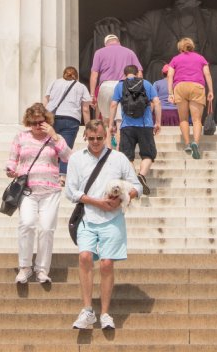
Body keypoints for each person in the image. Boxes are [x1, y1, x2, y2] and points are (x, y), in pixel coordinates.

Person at [66, 119, 142, 331]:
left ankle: (105, 313)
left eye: (100, 138)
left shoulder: (118, 158)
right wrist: (96, 201)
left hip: (113, 218)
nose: (96, 142)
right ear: (85, 137)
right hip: (88, 216)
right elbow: (71, 191)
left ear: (105, 136)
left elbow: (137, 186)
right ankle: (88, 309)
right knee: (84, 256)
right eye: (92, 139)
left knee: (107, 263)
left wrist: (122, 199)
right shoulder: (76, 159)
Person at [6, 103, 71, 285]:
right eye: (34, 122)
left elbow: (68, 157)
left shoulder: (54, 139)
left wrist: (55, 136)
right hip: (28, 190)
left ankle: (42, 269)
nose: (37, 126)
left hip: (51, 190)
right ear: (28, 122)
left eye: (41, 122)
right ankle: (25, 267)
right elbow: (12, 159)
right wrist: (11, 169)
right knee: (26, 224)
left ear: (47, 121)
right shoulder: (21, 137)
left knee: (47, 228)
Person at [109, 65, 161, 195]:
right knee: (149, 154)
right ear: (138, 73)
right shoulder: (147, 84)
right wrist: (158, 122)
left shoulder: (120, 86)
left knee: (127, 156)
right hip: (145, 125)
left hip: (127, 126)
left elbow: (113, 104)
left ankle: (135, 181)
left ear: (124, 74)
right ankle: (142, 175)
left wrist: (111, 124)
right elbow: (157, 102)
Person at [166, 36, 213, 159]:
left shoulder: (175, 59)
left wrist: (170, 93)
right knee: (197, 120)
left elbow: (170, 75)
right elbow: (207, 73)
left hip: (180, 87)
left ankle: (187, 144)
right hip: (197, 87)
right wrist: (211, 90)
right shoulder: (201, 58)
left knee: (183, 119)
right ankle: (196, 143)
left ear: (180, 47)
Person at [45, 66, 91, 175]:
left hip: (53, 117)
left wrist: (44, 118)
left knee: (51, 146)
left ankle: (49, 171)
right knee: (66, 147)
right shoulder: (81, 87)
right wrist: (88, 126)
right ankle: (62, 175)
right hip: (71, 118)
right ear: (77, 76)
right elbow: (85, 109)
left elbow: (46, 101)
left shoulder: (54, 83)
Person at [89, 34, 141, 125]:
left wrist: (92, 95)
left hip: (106, 86)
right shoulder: (129, 52)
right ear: (119, 42)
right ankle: (119, 139)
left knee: (105, 119)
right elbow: (139, 73)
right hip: (124, 86)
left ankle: (107, 139)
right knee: (120, 120)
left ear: (105, 44)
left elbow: (94, 75)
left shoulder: (99, 52)